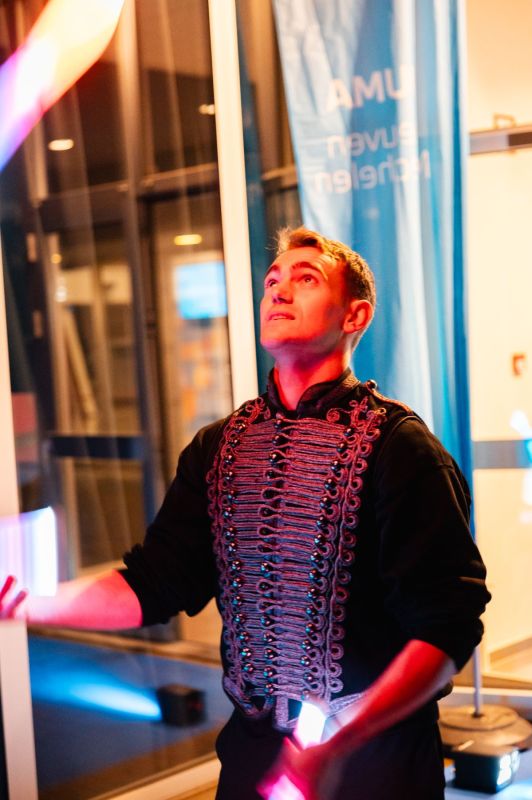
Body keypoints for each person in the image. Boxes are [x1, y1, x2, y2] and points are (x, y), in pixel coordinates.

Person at [1, 227, 490, 800]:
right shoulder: (218, 446)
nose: (278, 291)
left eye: (306, 279)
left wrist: (337, 746)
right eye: (272, 280)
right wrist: (29, 602)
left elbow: (448, 626)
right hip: (253, 755)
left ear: (354, 316)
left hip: (378, 764)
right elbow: (155, 582)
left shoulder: (400, 446)